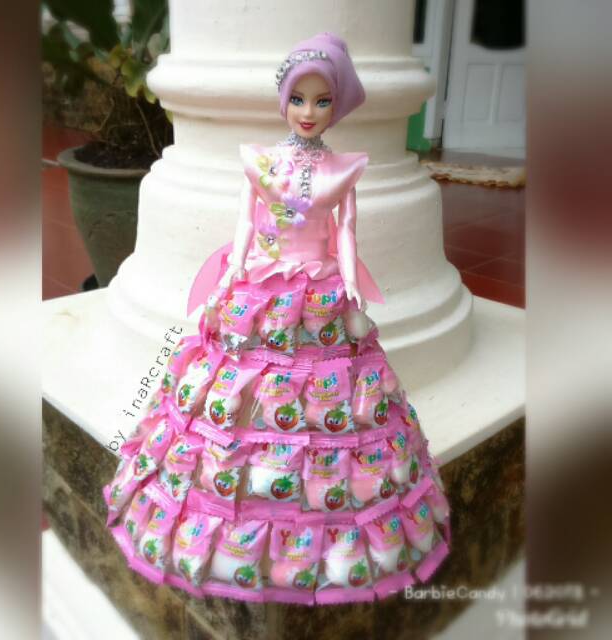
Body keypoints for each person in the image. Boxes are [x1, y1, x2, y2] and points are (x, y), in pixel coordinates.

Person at [103, 32, 451, 606]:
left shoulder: (343, 170)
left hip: (321, 294)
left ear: (336, 106)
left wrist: (350, 285)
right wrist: (234, 270)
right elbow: (245, 223)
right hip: (261, 289)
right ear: (283, 100)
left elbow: (345, 232)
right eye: (298, 99)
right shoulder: (259, 161)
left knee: (330, 395)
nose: (308, 111)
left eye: (322, 101)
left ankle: (314, 518)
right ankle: (230, 499)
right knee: (235, 389)